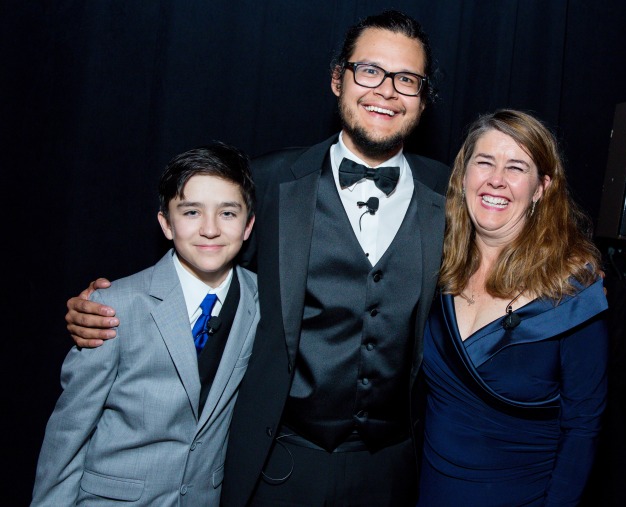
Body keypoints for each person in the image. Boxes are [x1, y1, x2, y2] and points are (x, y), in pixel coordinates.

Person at [63, 10, 450, 507]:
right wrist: (114, 307)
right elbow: (198, 271)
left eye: (407, 79)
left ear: (423, 99)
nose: (387, 90)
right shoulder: (268, 184)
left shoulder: (451, 194)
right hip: (280, 464)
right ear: (338, 79)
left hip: (394, 472)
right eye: (369, 71)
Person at [32, 142, 260, 506]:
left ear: (248, 225)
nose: (210, 229)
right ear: (166, 224)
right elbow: (69, 433)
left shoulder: (266, 301)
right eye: (191, 213)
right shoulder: (112, 307)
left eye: (228, 213)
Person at [417, 109, 608, 507]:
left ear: (541, 187)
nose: (496, 179)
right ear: (464, 175)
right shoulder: (431, 264)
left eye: (516, 167)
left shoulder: (572, 295)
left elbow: (582, 430)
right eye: (484, 162)